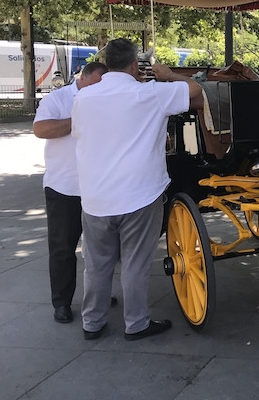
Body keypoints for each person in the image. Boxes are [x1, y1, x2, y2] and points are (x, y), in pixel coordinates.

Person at [71, 39, 203, 341]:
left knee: (96, 265)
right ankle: (136, 323)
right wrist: (167, 75)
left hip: (95, 195)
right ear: (134, 65)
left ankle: (92, 322)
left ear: (106, 62)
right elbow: (196, 91)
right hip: (139, 194)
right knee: (135, 263)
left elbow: (80, 133)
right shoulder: (150, 93)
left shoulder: (84, 97)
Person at [33, 61, 108, 323]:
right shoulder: (58, 99)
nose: (100, 88)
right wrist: (79, 118)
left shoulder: (104, 101)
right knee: (63, 248)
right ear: (83, 76)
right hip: (64, 187)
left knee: (100, 248)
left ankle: (98, 295)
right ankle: (62, 302)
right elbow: (41, 129)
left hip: (98, 186)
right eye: (96, 82)